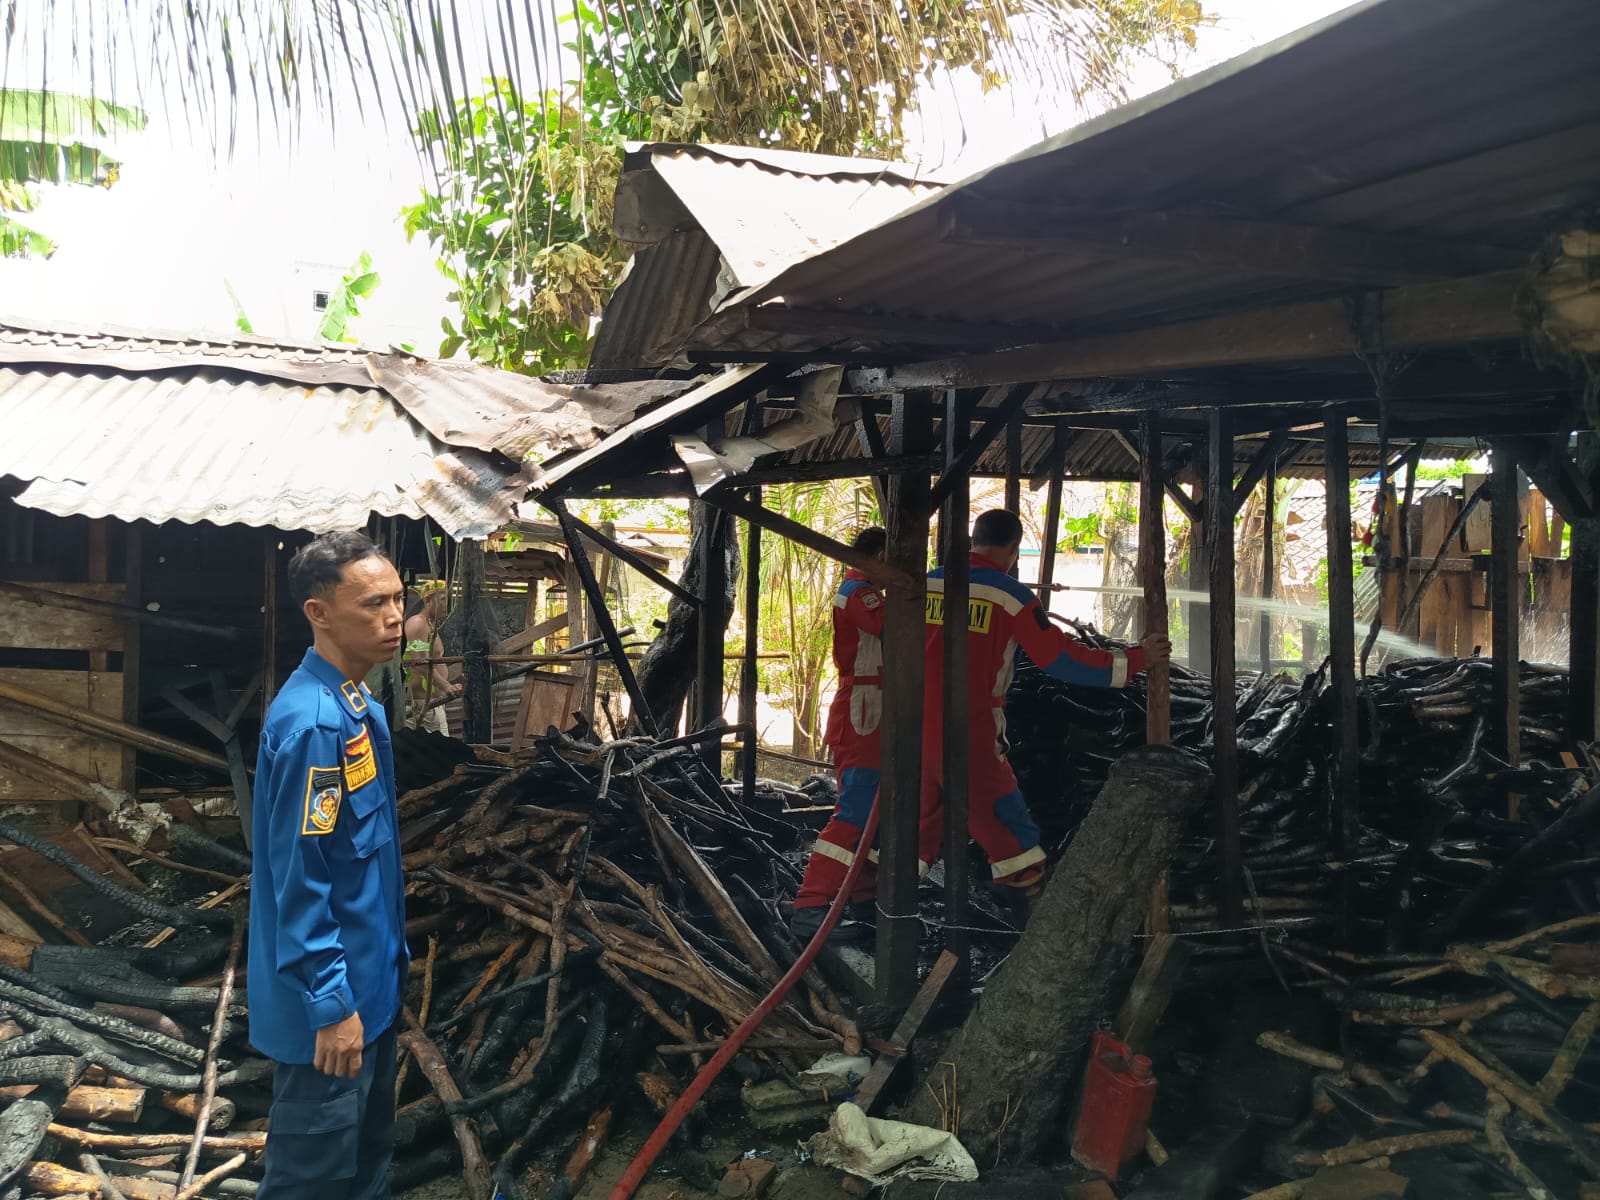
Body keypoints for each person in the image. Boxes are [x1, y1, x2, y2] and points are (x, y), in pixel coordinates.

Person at [249, 530, 408, 1199]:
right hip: (333, 1010)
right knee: (311, 1181)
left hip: (371, 989)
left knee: (365, 1165)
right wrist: (330, 1002)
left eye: (399, 599)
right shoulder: (314, 725)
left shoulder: (355, 705)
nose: (395, 617)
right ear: (319, 614)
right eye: (374, 604)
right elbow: (300, 878)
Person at [920, 510, 1171, 889]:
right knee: (1003, 814)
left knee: (917, 816)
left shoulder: (928, 583)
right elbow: (1062, 659)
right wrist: (1136, 658)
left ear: (974, 540)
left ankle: (880, 906)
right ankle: (1027, 903)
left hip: (908, 717)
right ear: (1014, 550)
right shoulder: (1010, 596)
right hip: (967, 722)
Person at [791, 527, 887, 942]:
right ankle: (810, 907)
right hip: (864, 712)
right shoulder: (859, 592)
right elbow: (893, 627)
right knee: (854, 812)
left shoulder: (865, 590)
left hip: (875, 711)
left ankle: (864, 901)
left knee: (873, 814)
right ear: (879, 554)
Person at [402, 582, 459, 734]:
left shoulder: (429, 626)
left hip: (430, 706)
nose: (446, 604)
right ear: (428, 601)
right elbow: (419, 663)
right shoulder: (417, 624)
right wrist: (446, 686)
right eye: (441, 599)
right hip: (421, 707)